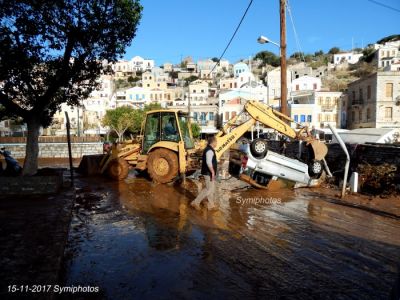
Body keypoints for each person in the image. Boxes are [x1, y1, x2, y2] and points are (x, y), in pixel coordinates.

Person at [191, 136, 218, 210]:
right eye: (216, 141)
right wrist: (212, 172)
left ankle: (211, 205)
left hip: (208, 172)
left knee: (211, 189)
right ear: (213, 142)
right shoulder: (209, 151)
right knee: (208, 189)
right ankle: (195, 202)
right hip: (208, 173)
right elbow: (209, 163)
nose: (217, 143)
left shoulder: (209, 149)